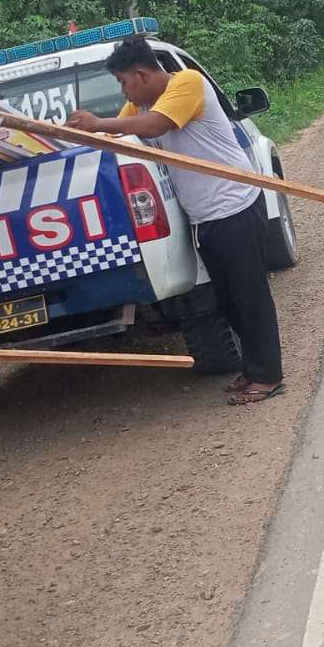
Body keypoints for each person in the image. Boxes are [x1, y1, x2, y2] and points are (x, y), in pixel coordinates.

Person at [66, 38, 286, 405]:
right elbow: (121, 130)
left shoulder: (187, 83)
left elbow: (152, 126)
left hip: (235, 208)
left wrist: (98, 122)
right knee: (228, 302)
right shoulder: (141, 102)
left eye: (124, 82)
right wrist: (82, 134)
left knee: (250, 298)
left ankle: (269, 376)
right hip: (205, 218)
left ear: (140, 73)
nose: (124, 90)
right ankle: (251, 369)